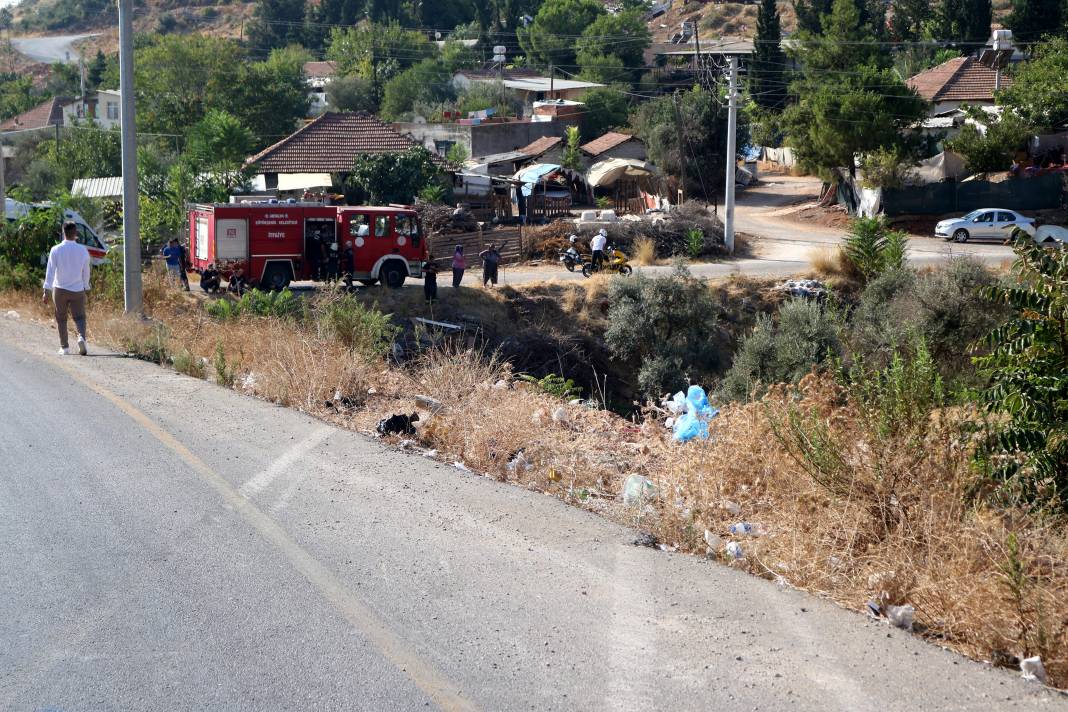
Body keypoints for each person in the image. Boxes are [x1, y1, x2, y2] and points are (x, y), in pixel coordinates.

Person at [42, 221, 91, 355]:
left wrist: (46, 290)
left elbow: (50, 271)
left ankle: (64, 347)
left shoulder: (55, 249)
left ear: (63, 233)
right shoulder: (83, 250)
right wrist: (86, 286)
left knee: (61, 318)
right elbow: (86, 271)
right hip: (77, 289)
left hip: (59, 290)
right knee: (80, 317)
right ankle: (81, 337)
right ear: (75, 233)